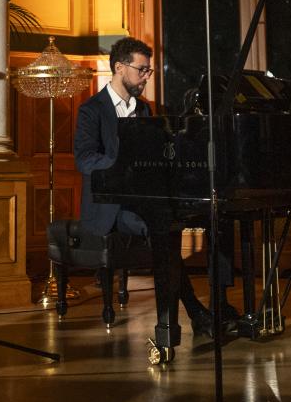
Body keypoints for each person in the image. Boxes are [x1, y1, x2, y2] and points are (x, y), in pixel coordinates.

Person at [73, 36, 232, 336]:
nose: (147, 76)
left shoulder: (144, 110)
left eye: (149, 70)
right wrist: (121, 164)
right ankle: (193, 313)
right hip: (110, 207)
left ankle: (200, 312)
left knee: (174, 223)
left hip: (141, 200)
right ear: (119, 68)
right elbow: (84, 160)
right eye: (142, 70)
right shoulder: (91, 110)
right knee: (160, 228)